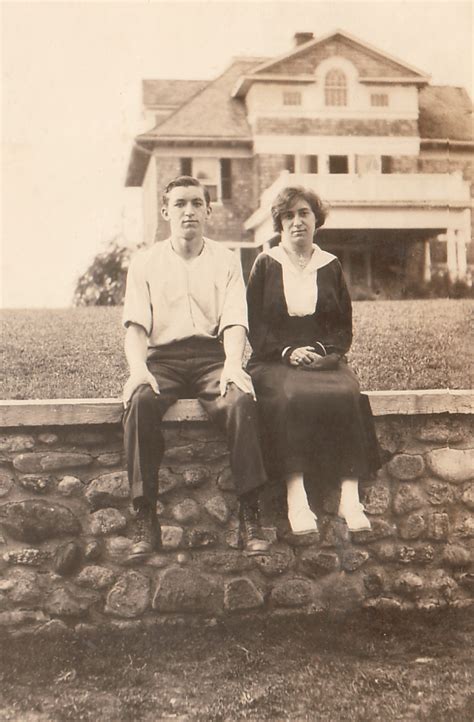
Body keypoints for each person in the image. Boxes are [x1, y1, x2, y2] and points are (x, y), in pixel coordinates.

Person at [122, 175, 270, 563]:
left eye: (196, 203)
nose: (188, 211)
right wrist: (138, 369)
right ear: (166, 211)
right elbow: (136, 327)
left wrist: (233, 366)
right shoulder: (145, 262)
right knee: (139, 402)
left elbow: (235, 321)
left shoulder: (226, 259)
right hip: (164, 360)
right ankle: (144, 515)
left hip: (211, 358)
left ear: (208, 210)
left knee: (239, 401)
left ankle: (251, 514)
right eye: (180, 203)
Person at [246, 185, 380, 536]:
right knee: (292, 396)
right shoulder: (265, 264)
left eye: (304, 213)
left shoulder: (330, 264)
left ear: (316, 219)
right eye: (288, 216)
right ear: (279, 223)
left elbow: (342, 326)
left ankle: (350, 498)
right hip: (273, 358)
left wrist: (320, 350)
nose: (296, 222)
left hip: (322, 356)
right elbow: (254, 324)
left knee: (348, 392)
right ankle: (296, 497)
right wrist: (287, 352)